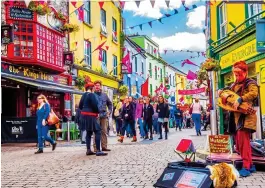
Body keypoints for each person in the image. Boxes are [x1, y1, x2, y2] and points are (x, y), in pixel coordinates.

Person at [219, 61, 258, 177]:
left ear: (245, 72)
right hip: (235, 117)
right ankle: (250, 165)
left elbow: (254, 93)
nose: (236, 77)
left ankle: (246, 167)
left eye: (239, 74)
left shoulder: (250, 83)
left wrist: (241, 99)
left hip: (247, 117)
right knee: (239, 144)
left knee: (244, 143)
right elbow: (227, 94)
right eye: (235, 74)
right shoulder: (233, 85)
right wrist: (222, 93)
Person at [79, 80, 107, 156]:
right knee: (97, 131)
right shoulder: (91, 95)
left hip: (84, 115)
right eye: (94, 87)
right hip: (90, 115)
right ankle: (98, 150)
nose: (95, 88)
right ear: (91, 88)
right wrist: (98, 112)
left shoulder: (84, 95)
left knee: (89, 132)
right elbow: (95, 105)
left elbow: (80, 106)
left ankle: (88, 150)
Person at [93, 80, 112, 152]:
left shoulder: (104, 95)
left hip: (104, 115)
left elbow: (109, 104)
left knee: (104, 131)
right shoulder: (92, 95)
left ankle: (104, 146)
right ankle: (96, 148)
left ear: (100, 86)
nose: (97, 87)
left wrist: (109, 111)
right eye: (96, 85)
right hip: (95, 115)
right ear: (94, 87)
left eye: (98, 85)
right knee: (96, 131)